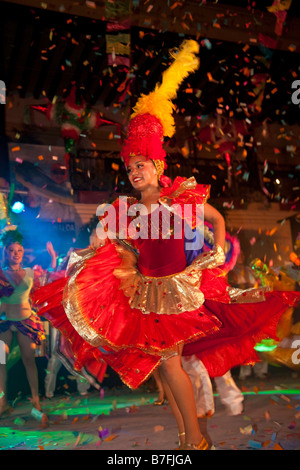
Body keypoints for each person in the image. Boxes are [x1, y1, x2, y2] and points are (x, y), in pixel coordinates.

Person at [33, 40, 300, 450]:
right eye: (130, 167)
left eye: (141, 165)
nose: (135, 172)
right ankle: (185, 435)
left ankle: (195, 439)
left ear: (158, 165)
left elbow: (214, 220)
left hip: (177, 293)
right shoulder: (127, 209)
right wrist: (98, 252)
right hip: (145, 294)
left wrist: (216, 252)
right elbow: (113, 243)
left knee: (172, 364)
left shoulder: (181, 197)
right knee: (163, 367)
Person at [0, 228, 56, 416]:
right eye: (11, 250)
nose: (15, 254)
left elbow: (50, 279)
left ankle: (36, 401)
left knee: (29, 361)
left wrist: (53, 256)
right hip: (4, 323)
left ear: (23, 253)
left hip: (25, 321)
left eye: (19, 250)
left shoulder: (31, 273)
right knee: (0, 361)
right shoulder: (0, 273)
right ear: (5, 252)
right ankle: (2, 403)